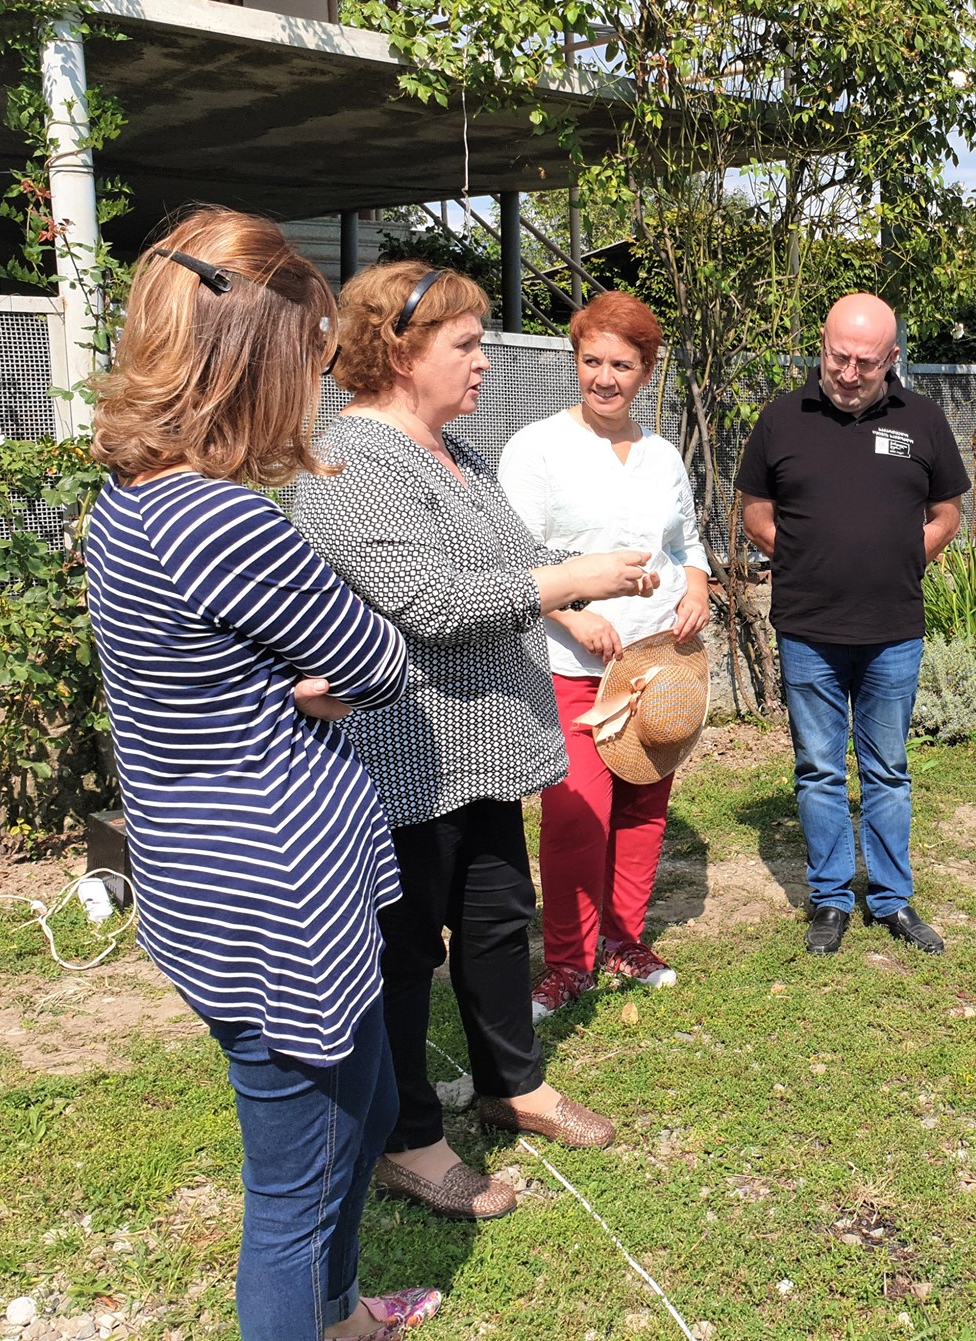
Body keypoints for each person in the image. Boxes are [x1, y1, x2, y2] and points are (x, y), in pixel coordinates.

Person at [86, 208, 440, 1339]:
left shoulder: (132, 496)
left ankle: (340, 1317)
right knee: (295, 1192)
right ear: (253, 358)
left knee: (364, 1108)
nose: (315, 380)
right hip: (274, 895)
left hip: (204, 871)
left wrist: (292, 677)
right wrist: (311, 678)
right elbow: (379, 659)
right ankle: (314, 1315)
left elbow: (228, 669)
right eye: (308, 353)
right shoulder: (224, 522)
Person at [292, 261, 658, 1221]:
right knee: (405, 951)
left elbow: (515, 558)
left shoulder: (455, 451)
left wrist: (589, 573)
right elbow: (433, 603)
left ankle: (513, 1083)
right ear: (400, 353)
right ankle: (408, 1138)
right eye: (465, 343)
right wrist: (566, 582)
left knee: (497, 921)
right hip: (405, 752)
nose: (485, 361)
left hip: (483, 748)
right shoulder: (349, 463)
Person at [735, 292, 969, 957]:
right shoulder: (782, 419)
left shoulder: (922, 419)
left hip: (893, 628)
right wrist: (806, 559)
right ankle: (832, 898)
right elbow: (754, 511)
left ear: (891, 357)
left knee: (888, 769)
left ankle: (892, 899)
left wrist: (902, 558)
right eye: (838, 356)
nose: (848, 372)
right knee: (818, 768)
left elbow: (947, 513)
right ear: (822, 343)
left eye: (865, 362)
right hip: (808, 627)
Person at [498, 291, 711, 1018]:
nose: (605, 378)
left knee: (644, 802)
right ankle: (567, 962)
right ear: (575, 360)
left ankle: (624, 940)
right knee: (575, 814)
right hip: (571, 662)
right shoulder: (538, 448)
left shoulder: (662, 456)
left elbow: (685, 542)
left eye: (622, 365)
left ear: (646, 371)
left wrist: (698, 587)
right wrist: (569, 612)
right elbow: (512, 557)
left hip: (657, 662)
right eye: (592, 361)